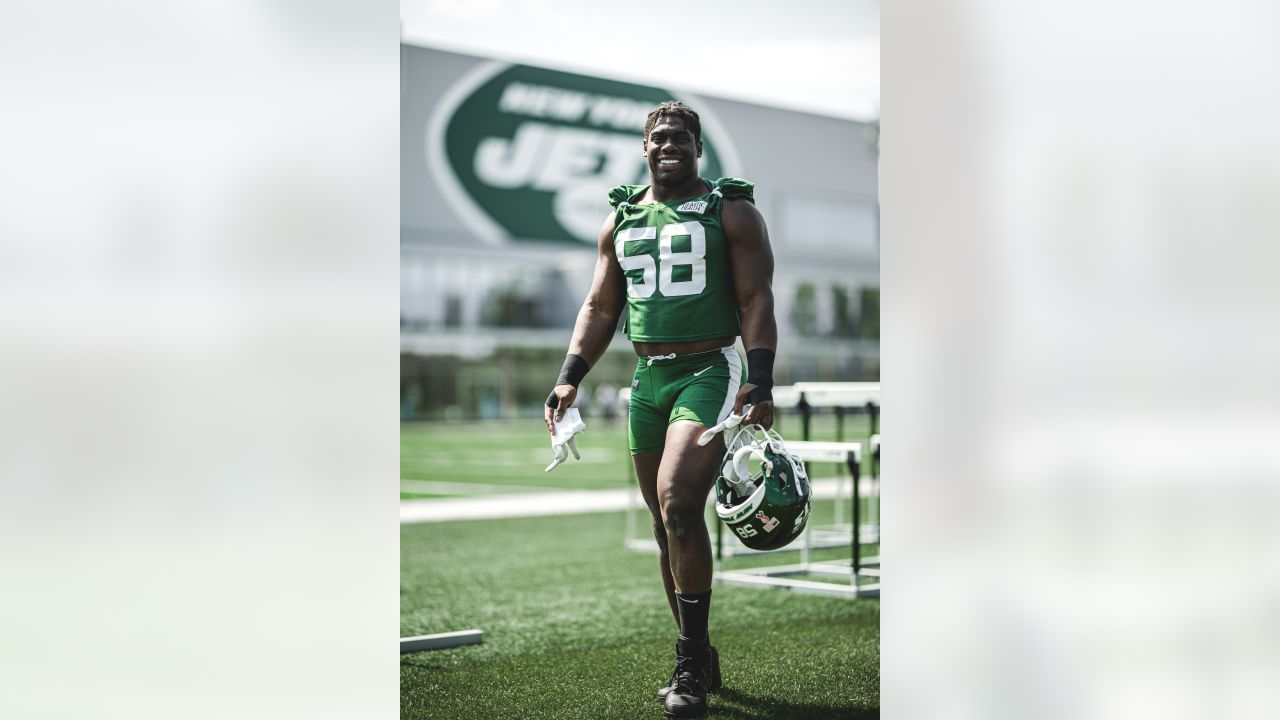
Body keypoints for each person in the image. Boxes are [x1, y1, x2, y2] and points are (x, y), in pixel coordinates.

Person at [544, 101, 777, 718]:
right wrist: (569, 378)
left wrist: (762, 378)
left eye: (680, 136)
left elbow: (755, 297)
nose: (668, 144)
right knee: (661, 523)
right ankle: (699, 653)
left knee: (678, 501)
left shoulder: (730, 211)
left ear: (698, 148)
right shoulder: (620, 219)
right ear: (644, 149)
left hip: (709, 368)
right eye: (658, 136)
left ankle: (688, 667)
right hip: (649, 378)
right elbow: (598, 308)